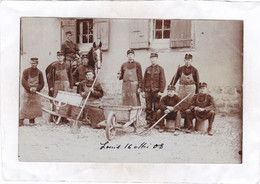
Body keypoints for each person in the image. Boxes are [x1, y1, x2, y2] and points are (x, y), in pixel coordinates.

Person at [170, 53, 199, 127]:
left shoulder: (194, 70)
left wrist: (197, 93)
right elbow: (175, 79)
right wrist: (171, 87)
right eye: (186, 60)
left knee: (189, 105)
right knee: (181, 104)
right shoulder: (180, 69)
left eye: (189, 60)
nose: (187, 61)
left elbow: (197, 82)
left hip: (190, 90)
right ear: (184, 60)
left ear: (191, 60)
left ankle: (187, 123)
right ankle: (178, 122)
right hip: (182, 89)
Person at [143, 53, 166, 128]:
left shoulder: (160, 69)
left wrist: (161, 91)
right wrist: (143, 91)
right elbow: (144, 80)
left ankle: (156, 121)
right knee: (148, 107)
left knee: (156, 107)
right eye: (151, 58)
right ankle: (149, 122)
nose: (153, 60)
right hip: (148, 91)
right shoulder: (147, 69)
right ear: (150, 59)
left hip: (156, 91)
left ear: (157, 59)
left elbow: (163, 81)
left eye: (154, 58)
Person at [19, 58, 44, 126]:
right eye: (32, 63)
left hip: (35, 92)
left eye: (35, 63)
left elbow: (42, 83)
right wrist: (29, 88)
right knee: (25, 105)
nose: (33, 64)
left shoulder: (40, 72)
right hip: (28, 92)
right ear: (30, 63)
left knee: (34, 106)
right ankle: (21, 120)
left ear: (37, 64)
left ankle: (32, 120)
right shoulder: (26, 71)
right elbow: (23, 81)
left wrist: (37, 88)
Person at [49, 51, 74, 118]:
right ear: (57, 57)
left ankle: (65, 116)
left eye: (61, 56)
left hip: (66, 84)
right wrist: (51, 86)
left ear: (63, 57)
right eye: (59, 56)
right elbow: (50, 77)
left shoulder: (67, 66)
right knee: (56, 99)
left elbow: (71, 77)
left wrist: (71, 86)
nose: (60, 57)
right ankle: (55, 115)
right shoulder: (54, 66)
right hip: (57, 84)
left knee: (65, 99)